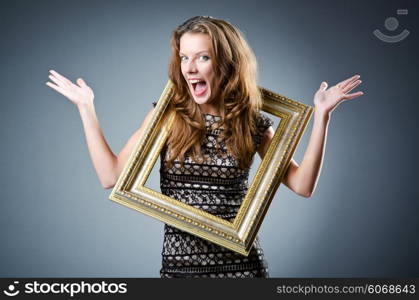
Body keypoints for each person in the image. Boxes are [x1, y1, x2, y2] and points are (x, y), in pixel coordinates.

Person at [45, 16, 363, 278]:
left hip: (243, 268)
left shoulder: (251, 123)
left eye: (202, 57)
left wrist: (322, 116)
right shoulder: (167, 116)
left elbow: (302, 185)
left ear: (226, 62)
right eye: (184, 57)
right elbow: (111, 177)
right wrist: (86, 108)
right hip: (180, 270)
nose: (190, 67)